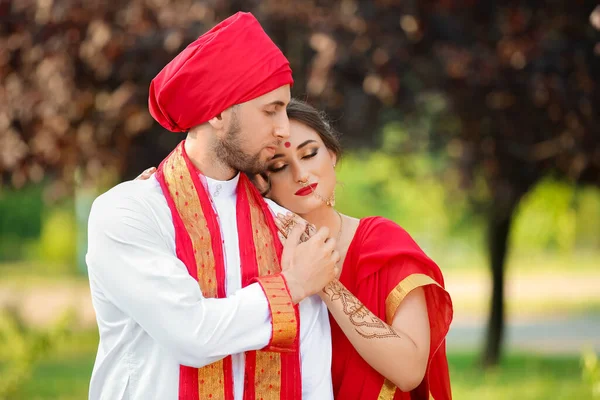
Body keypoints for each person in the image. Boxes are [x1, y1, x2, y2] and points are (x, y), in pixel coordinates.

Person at [86, 13, 338, 400]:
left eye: (285, 110)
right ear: (219, 113)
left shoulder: (287, 228)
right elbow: (191, 335)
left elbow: (313, 373)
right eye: (270, 110)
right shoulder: (128, 213)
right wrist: (293, 285)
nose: (285, 128)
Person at [261, 99, 453, 399]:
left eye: (309, 154)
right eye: (280, 166)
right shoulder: (255, 252)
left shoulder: (381, 243)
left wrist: (325, 284)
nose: (300, 173)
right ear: (264, 182)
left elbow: (410, 371)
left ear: (333, 155)